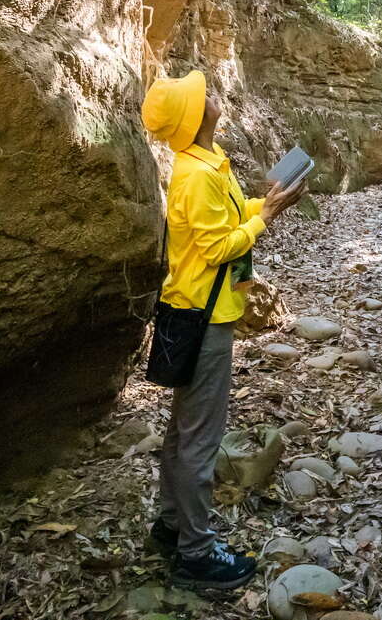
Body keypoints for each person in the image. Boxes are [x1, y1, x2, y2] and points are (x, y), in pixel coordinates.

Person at [140, 69, 301, 591]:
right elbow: (216, 249)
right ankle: (196, 555)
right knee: (199, 440)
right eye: (201, 98)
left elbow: (226, 223)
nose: (210, 98)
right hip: (203, 319)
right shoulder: (196, 173)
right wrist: (266, 219)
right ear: (192, 118)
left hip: (201, 311)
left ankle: (171, 526)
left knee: (183, 430)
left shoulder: (210, 163)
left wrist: (263, 205)